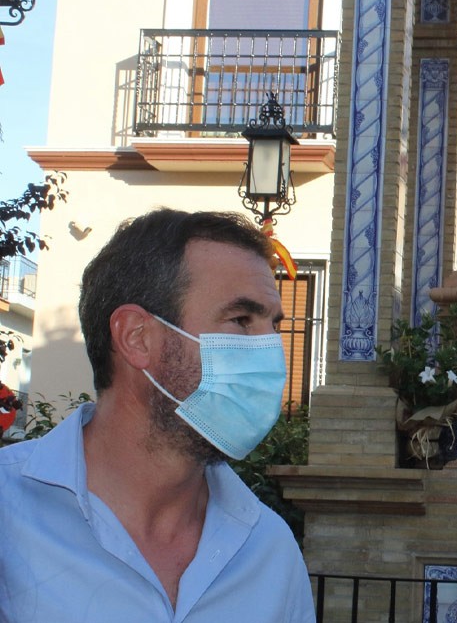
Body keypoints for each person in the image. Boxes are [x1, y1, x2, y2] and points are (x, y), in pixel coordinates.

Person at [0, 210, 315, 622]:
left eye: (273, 326)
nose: (272, 352)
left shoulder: (270, 550)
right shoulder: (9, 512)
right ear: (137, 337)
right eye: (241, 321)